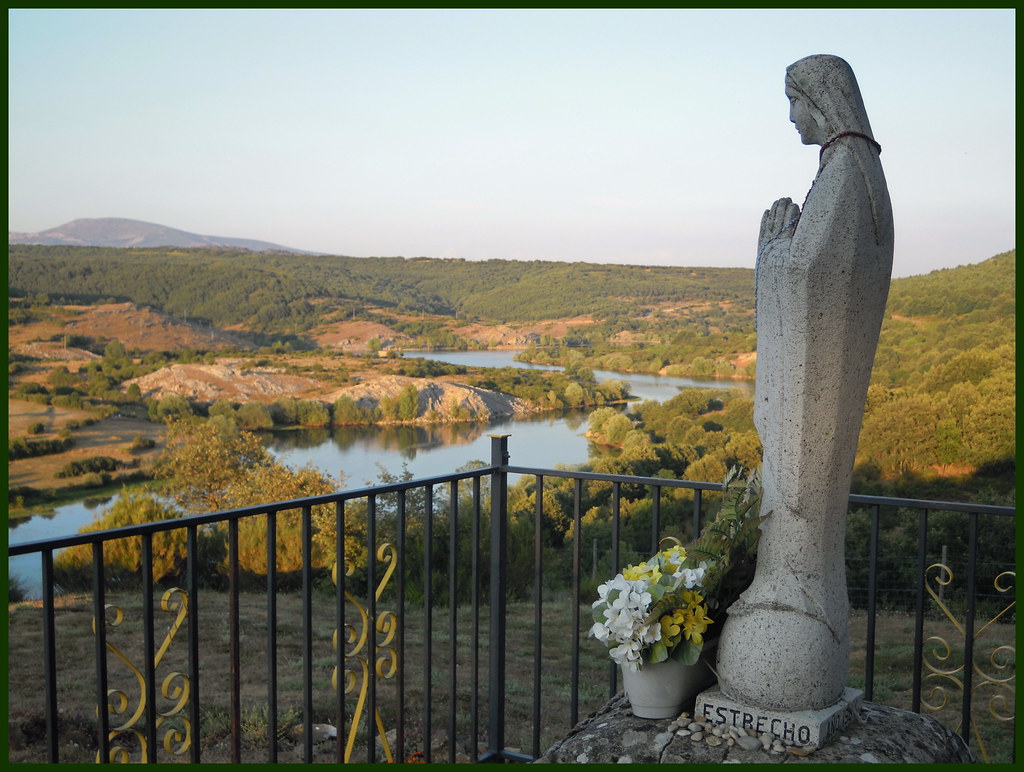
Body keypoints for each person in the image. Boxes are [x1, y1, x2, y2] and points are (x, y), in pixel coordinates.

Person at [715, 55, 894, 711]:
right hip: (820, 398)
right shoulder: (857, 179)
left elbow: (808, 279)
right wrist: (786, 252)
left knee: (796, 522)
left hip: (808, 406)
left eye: (792, 103)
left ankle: (787, 623)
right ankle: (788, 608)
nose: (791, 119)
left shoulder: (846, 178)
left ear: (818, 101)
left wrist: (768, 256)